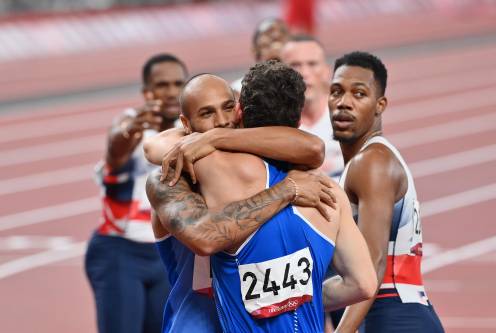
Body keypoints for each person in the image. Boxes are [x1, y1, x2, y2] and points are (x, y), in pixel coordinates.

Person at [179, 61, 376, 332]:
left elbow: (159, 149)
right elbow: (363, 284)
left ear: (240, 112)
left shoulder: (217, 170)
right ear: (299, 114)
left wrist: (210, 138)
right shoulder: (330, 192)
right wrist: (300, 296)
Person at [144, 73, 338, 333]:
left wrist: (213, 138)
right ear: (186, 125)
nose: (223, 121)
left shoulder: (248, 153)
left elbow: (313, 148)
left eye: (227, 108)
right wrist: (286, 191)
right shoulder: (170, 179)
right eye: (207, 113)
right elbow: (205, 238)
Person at [329, 51, 444, 333]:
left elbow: (372, 267)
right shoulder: (368, 161)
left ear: (380, 105)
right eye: (336, 92)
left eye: (359, 94)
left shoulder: (372, 163)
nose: (344, 103)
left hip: (393, 315)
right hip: (395, 313)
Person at [84, 53, 188, 333]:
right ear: (146, 92)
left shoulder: (188, 131)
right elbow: (116, 147)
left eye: (178, 84)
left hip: (167, 253)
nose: (170, 92)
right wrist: (127, 132)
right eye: (162, 85)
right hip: (121, 252)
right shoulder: (132, 126)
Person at [281, 35, 344, 180]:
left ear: (327, 70)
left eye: (312, 64)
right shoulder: (273, 121)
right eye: (295, 65)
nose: (304, 73)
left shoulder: (350, 113)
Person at [230, 17, 290, 94]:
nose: (275, 49)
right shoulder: (240, 89)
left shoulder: (305, 85)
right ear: (255, 50)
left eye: (281, 43)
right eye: (266, 45)